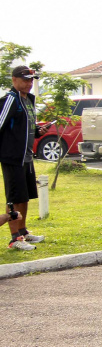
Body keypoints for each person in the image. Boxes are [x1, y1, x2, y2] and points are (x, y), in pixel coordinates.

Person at [0, 65, 49, 250]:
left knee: (25, 196)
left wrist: (38, 131)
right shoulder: (9, 100)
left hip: (27, 157)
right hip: (12, 157)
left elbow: (25, 127)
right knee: (13, 197)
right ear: (14, 80)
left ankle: (23, 232)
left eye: (31, 80)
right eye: (25, 79)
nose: (29, 83)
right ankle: (14, 239)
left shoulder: (28, 100)